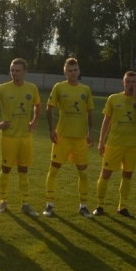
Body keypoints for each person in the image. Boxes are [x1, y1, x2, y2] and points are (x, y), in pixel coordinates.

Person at [0, 58, 41, 216]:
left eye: (17, 70)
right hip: (9, 137)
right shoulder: (3, 88)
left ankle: (26, 204)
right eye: (12, 70)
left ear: (24, 72)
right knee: (6, 169)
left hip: (25, 138)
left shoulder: (32, 88)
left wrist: (34, 121)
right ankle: (3, 201)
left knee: (23, 170)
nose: (14, 73)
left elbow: (38, 105)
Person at [42, 57, 94, 218]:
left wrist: (90, 132)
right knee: (54, 170)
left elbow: (90, 112)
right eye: (69, 70)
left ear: (79, 71)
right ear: (65, 72)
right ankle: (49, 204)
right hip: (62, 137)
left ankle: (83, 206)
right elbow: (49, 109)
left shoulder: (85, 89)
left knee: (83, 173)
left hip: (80, 139)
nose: (73, 73)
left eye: (75, 70)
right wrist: (51, 130)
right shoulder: (59, 87)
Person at [93, 71, 136, 217]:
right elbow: (106, 122)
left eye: (134, 82)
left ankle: (122, 207)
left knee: (128, 175)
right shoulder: (113, 98)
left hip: (131, 146)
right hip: (114, 144)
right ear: (123, 83)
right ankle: (100, 205)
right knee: (105, 174)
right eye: (128, 81)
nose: (131, 85)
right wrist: (101, 141)